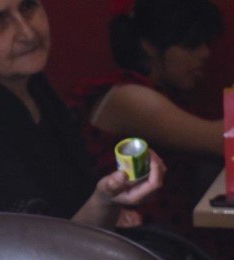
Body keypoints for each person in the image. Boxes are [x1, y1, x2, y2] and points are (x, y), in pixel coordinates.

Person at [0, 0, 165, 231]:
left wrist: (114, 203)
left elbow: (74, 206)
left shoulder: (34, 87)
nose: (27, 32)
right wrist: (105, 203)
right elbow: (42, 255)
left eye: (28, 6)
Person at [67, 0, 225, 230]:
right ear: (149, 45)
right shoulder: (129, 97)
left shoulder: (156, 92)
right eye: (191, 44)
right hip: (140, 237)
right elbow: (223, 140)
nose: (205, 53)